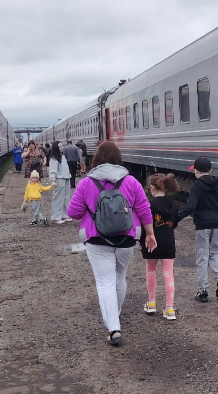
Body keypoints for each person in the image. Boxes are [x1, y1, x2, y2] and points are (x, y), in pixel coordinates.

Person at [67, 141, 156, 346]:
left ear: (96, 158)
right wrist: (150, 234)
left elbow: (73, 212)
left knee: (105, 281)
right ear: (119, 158)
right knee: (119, 276)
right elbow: (144, 209)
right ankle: (114, 313)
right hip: (127, 237)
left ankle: (113, 327)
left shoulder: (86, 183)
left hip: (96, 239)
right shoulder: (131, 181)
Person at [180, 157, 218, 302]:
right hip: (217, 223)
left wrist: (176, 218)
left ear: (196, 171)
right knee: (215, 252)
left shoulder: (196, 186)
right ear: (210, 170)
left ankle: (202, 290)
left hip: (203, 225)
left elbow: (191, 206)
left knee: (202, 256)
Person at [140, 173, 184, 320]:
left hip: (151, 242)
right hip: (168, 243)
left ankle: (151, 303)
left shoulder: (149, 205)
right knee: (168, 274)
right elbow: (174, 223)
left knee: (151, 270)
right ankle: (170, 309)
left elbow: (144, 224)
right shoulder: (174, 204)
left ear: (152, 188)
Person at [48, 141, 71, 224]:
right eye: (60, 147)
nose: (62, 148)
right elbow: (53, 170)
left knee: (66, 197)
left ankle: (65, 214)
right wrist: (53, 180)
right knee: (58, 198)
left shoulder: (62, 156)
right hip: (59, 178)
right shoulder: (54, 158)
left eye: (62, 146)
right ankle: (56, 216)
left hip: (66, 178)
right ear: (56, 148)